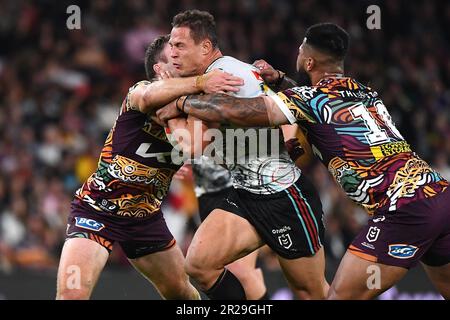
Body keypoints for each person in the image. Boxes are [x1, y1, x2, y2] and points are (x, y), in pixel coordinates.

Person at [157, 23, 450, 300]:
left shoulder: (306, 100)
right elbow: (316, 104)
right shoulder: (364, 91)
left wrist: (182, 98)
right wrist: (282, 80)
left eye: (301, 50)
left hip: (403, 207)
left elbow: (235, 111)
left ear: (309, 63)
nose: (297, 53)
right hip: (438, 191)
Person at [56, 35, 243, 300]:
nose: (181, 59)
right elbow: (149, 97)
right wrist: (201, 82)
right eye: (174, 56)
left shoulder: (193, 109)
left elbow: (203, 146)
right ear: (159, 69)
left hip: (145, 219)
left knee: (182, 293)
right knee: (71, 295)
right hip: (97, 211)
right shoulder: (141, 91)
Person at [165, 10, 329, 300]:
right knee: (200, 265)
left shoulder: (224, 77)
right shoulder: (220, 73)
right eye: (171, 46)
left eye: (179, 46)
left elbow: (191, 146)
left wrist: (171, 104)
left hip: (284, 199)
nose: (172, 53)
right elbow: (277, 110)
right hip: (244, 194)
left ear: (204, 47)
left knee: (311, 292)